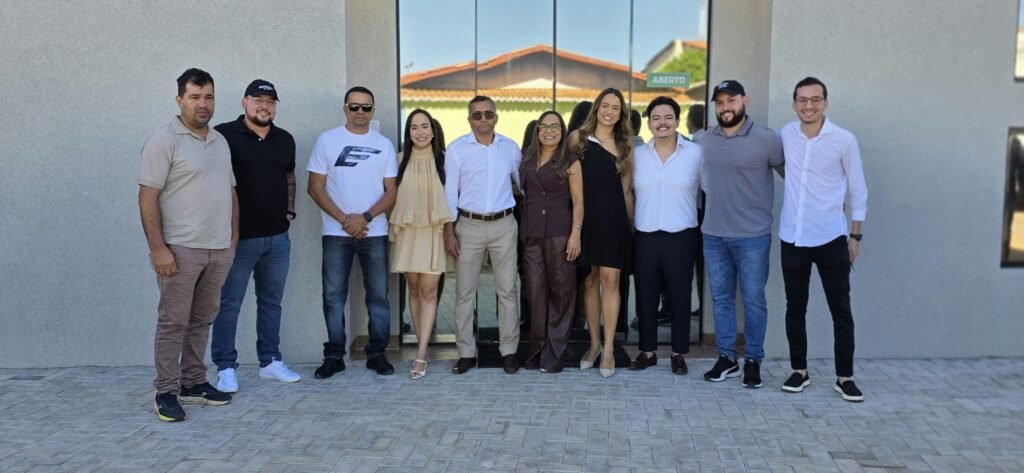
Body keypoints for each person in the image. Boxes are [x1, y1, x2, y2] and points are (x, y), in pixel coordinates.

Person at [138, 68, 236, 422]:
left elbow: (230, 192)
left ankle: (193, 382)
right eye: (195, 97)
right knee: (173, 322)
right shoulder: (164, 140)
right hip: (181, 248)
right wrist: (158, 248)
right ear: (180, 99)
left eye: (208, 96)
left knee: (202, 320)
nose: (202, 104)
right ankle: (166, 391)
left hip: (218, 249)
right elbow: (147, 197)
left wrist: (232, 240)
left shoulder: (220, 141)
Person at [778, 77, 868, 402]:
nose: (809, 105)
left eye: (815, 99)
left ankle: (845, 377)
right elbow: (782, 168)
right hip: (793, 237)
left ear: (825, 103)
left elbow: (858, 189)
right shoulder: (786, 135)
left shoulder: (844, 140)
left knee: (840, 309)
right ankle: (799, 371)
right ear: (794, 104)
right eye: (802, 99)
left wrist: (855, 235)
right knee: (795, 308)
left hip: (831, 237)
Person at [210, 80, 300, 393]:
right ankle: (225, 367)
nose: (265, 106)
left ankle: (270, 361)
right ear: (244, 102)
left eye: (270, 101)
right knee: (228, 304)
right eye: (258, 100)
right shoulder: (223, 135)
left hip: (277, 239)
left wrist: (289, 211)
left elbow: (289, 177)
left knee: (271, 303)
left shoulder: (284, 139)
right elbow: (211, 181)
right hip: (238, 239)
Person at [307, 86, 398, 378]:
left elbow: (392, 191)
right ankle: (334, 356)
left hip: (374, 231)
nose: (360, 111)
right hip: (336, 233)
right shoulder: (327, 140)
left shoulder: (384, 144)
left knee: (378, 296)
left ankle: (377, 355)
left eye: (366, 107)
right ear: (345, 108)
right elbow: (315, 187)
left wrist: (365, 218)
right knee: (333, 297)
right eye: (354, 106)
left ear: (373, 110)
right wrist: (345, 220)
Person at [700, 80, 784, 389]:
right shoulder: (706, 138)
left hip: (752, 237)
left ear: (744, 100)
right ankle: (727, 358)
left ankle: (753, 360)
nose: (725, 107)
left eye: (731, 100)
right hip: (713, 234)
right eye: (720, 102)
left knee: (753, 300)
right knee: (721, 299)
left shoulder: (766, 139)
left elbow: (794, 177)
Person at [444, 96, 523, 374]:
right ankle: (466, 352)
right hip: (469, 226)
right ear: (469, 119)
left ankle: (509, 351)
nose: (483, 119)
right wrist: (449, 232)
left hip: (504, 224)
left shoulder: (510, 148)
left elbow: (521, 184)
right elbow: (449, 195)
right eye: (477, 115)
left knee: (507, 290)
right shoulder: (456, 150)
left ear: (496, 117)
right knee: (464, 292)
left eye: (488, 114)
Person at [629, 96, 702, 375]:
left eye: (668, 117)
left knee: (680, 294)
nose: (662, 123)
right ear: (649, 123)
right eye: (656, 118)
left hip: (681, 235)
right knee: (645, 294)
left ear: (677, 121)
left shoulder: (696, 154)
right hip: (645, 234)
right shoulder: (637, 156)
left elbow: (709, 189)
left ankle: (678, 353)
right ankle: (647, 351)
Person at [571, 87, 634, 378]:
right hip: (586, 219)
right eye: (605, 105)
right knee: (590, 281)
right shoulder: (578, 139)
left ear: (621, 114)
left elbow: (626, 190)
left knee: (611, 280)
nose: (609, 111)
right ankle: (594, 343)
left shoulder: (625, 145)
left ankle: (608, 349)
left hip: (614, 220)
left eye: (615, 108)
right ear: (597, 108)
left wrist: (631, 225)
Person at [520, 111, 584, 373]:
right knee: (535, 294)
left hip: (560, 233)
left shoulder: (570, 161)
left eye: (555, 126)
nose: (549, 131)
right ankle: (536, 352)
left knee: (561, 294)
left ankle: (554, 356)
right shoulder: (526, 159)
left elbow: (578, 201)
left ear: (563, 131)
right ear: (537, 131)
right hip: (532, 234)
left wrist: (575, 234)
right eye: (544, 126)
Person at [390, 109, 452, 379]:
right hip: (408, 232)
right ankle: (419, 343)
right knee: (414, 289)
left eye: (425, 126)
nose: (420, 132)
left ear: (433, 131)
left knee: (428, 291)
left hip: (434, 232)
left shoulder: (446, 161)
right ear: (408, 133)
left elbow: (454, 199)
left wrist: (451, 233)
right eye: (414, 127)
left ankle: (422, 353)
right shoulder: (398, 160)